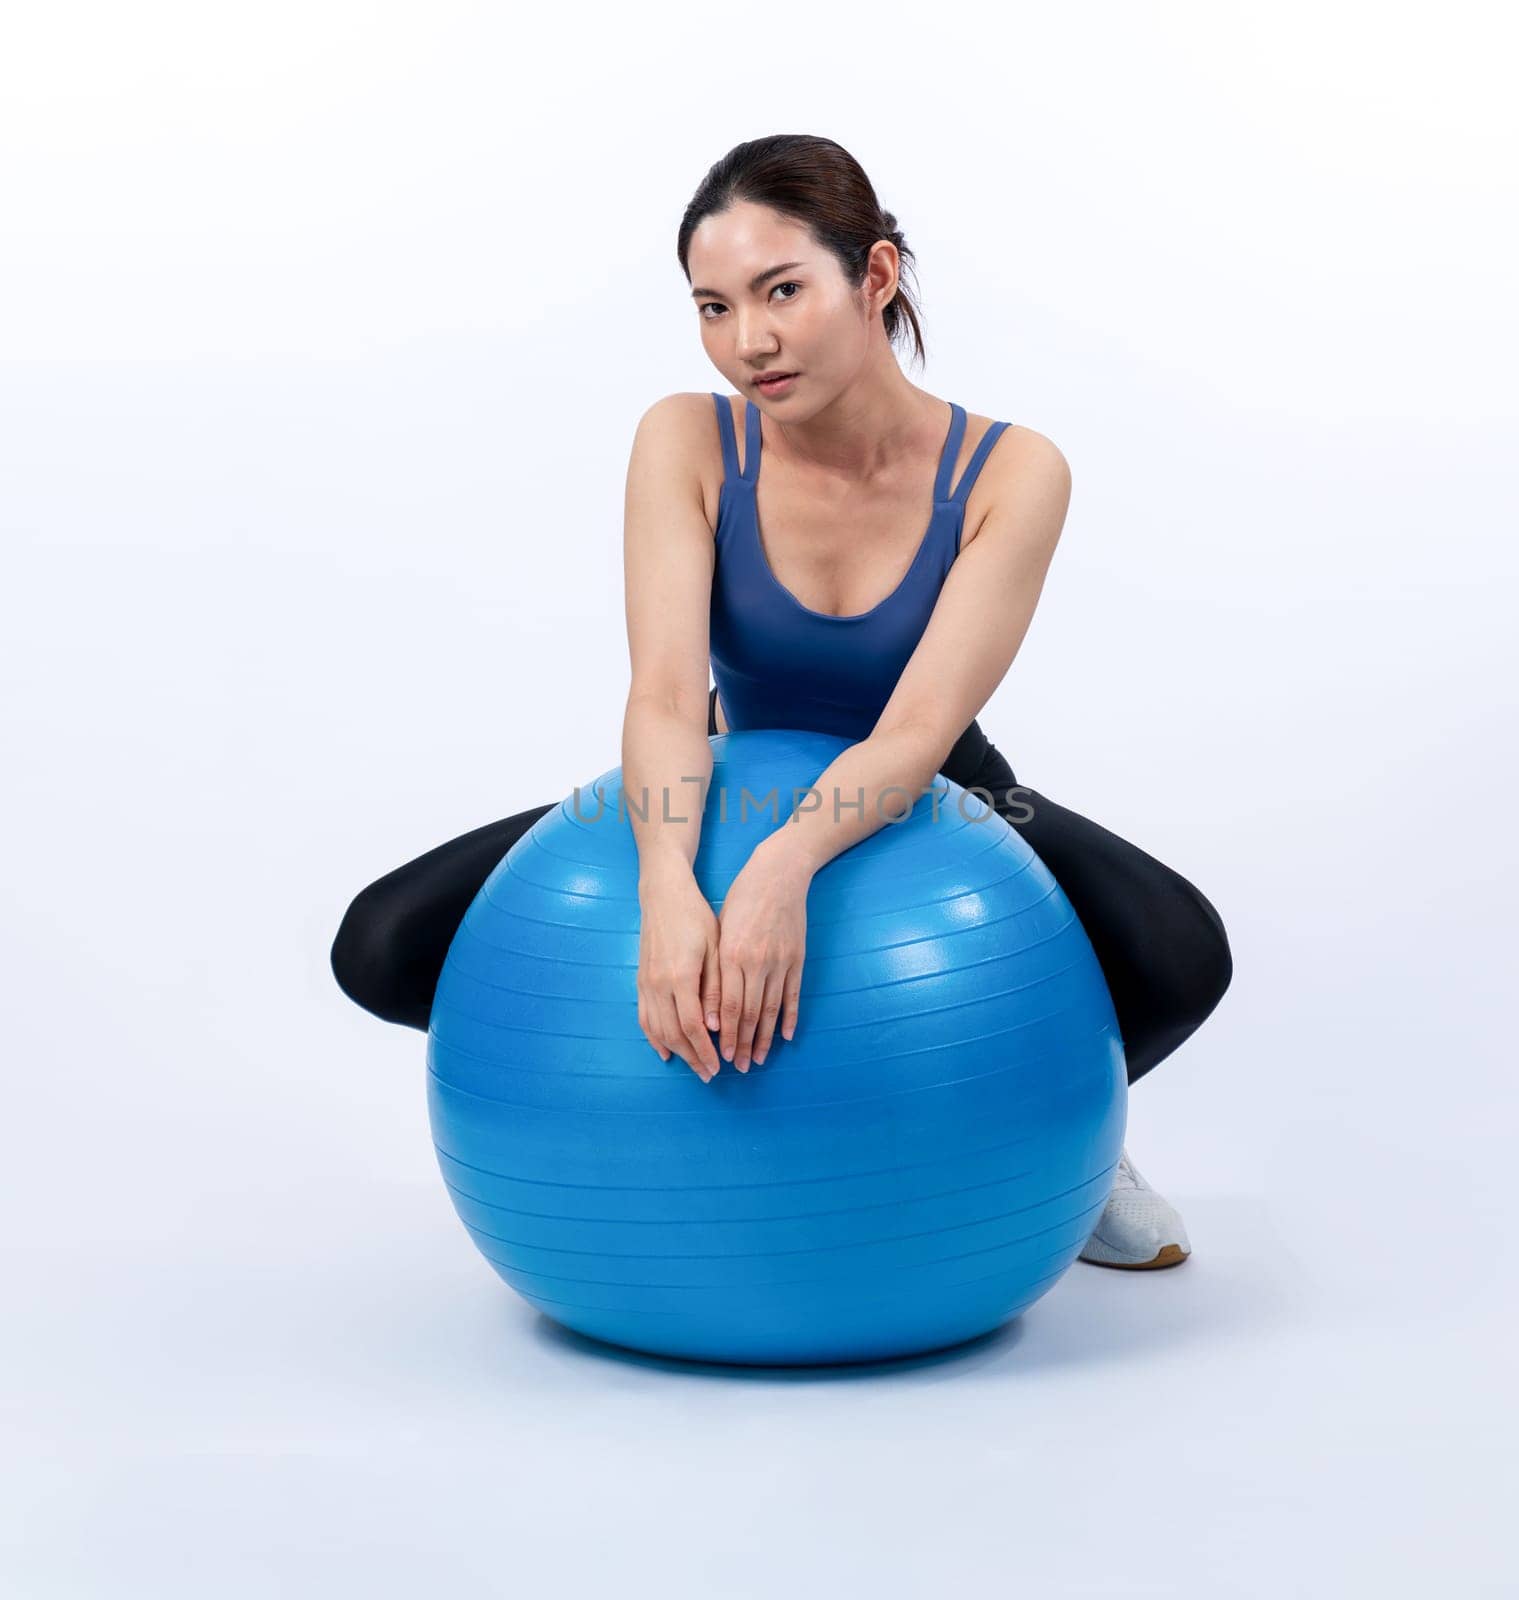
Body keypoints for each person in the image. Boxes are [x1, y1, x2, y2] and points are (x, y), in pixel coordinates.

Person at [331, 134, 1233, 1271]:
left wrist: (778, 872)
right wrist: (668, 887)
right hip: (722, 770)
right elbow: (664, 689)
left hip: (943, 793)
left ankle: (1059, 1148)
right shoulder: (687, 439)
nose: (745, 341)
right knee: (382, 943)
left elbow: (912, 729)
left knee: (1178, 949)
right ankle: (662, 1133)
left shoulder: (1012, 472)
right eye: (711, 306)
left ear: (877, 277)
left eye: (781, 291)